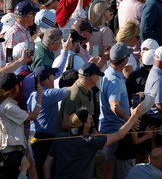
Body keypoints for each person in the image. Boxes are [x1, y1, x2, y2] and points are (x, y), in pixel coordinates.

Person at [44, 104, 144, 179]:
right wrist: (133, 117)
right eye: (89, 118)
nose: (91, 118)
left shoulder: (59, 138)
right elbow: (119, 135)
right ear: (86, 125)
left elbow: (46, 166)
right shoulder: (91, 141)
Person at [99, 42, 135, 179]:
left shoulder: (108, 72)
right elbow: (114, 105)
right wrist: (129, 119)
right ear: (125, 60)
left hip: (109, 128)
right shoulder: (115, 80)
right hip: (114, 130)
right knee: (110, 169)